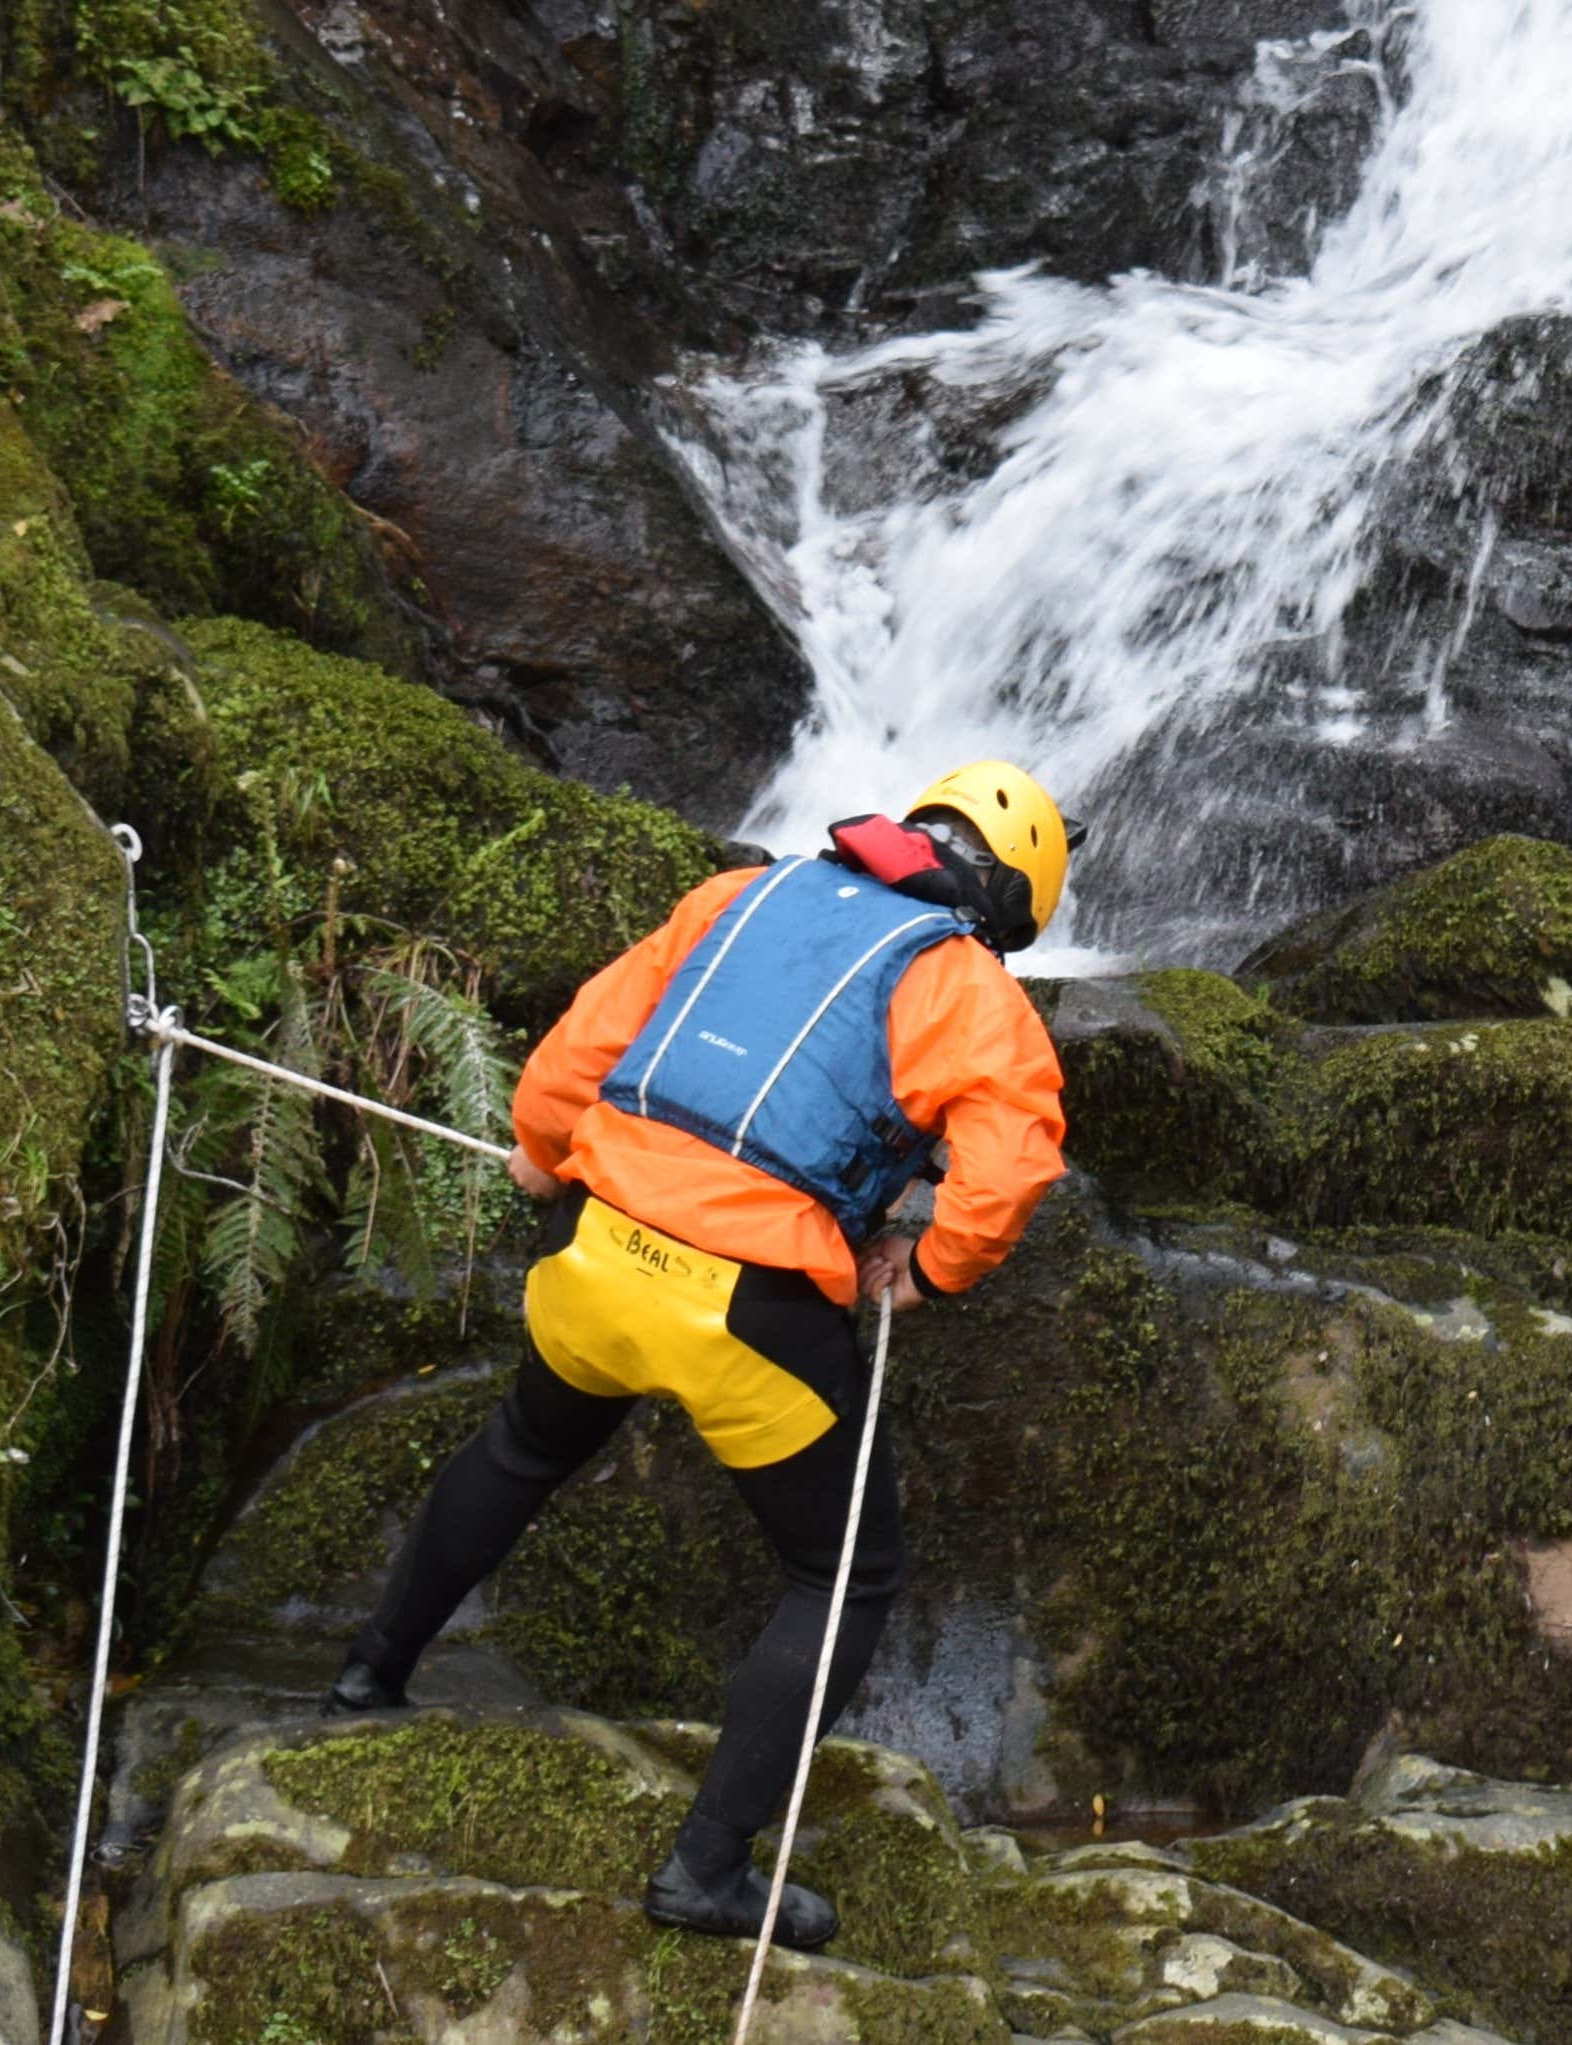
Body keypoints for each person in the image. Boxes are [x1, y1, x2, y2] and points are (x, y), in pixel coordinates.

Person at [325, 762, 1075, 1950]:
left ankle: (369, 1674)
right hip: (747, 1307)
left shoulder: (741, 892)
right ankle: (706, 1868)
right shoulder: (963, 979)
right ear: (1010, 896)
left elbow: (596, 1028)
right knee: (845, 1577)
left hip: (599, 1248)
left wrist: (539, 1139)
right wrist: (930, 1269)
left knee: (526, 1442)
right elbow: (1015, 1159)